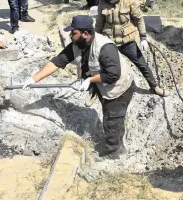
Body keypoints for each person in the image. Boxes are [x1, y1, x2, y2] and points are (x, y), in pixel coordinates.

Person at [23, 15, 135, 159]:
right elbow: (57, 61)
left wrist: (90, 80)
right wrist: (34, 79)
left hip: (119, 88)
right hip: (103, 84)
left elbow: (113, 74)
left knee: (112, 119)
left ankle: (114, 152)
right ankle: (117, 142)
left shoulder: (105, 47)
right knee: (112, 117)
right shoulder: (77, 45)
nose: (70, 35)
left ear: (85, 34)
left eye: (73, 33)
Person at [95, 0, 166, 98]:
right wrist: (96, 38)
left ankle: (154, 87)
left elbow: (139, 20)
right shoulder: (102, 2)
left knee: (142, 64)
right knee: (101, 66)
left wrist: (143, 37)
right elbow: (99, 23)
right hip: (110, 41)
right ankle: (95, 91)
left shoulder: (129, 0)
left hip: (127, 41)